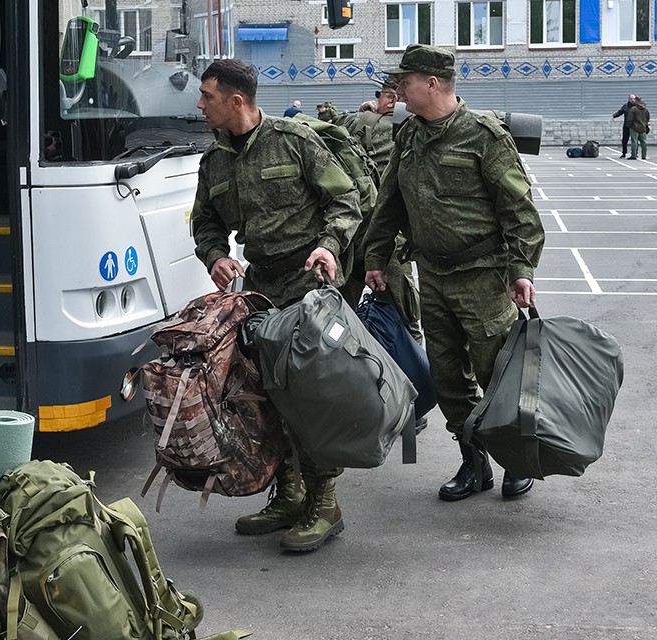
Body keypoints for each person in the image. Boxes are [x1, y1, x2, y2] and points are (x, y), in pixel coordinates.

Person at [191, 58, 362, 552]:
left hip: (310, 283)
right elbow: (205, 224)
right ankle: (287, 493)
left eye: (207, 97)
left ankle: (325, 501)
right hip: (261, 286)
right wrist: (216, 256)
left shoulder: (294, 140)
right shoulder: (215, 160)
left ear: (236, 101)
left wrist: (329, 245)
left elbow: (344, 200)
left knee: (312, 394)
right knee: (268, 393)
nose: (200, 106)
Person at [362, 44, 545, 502]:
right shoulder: (409, 136)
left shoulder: (483, 135)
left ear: (432, 84)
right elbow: (389, 204)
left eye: (404, 82)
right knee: (447, 378)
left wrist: (521, 269)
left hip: (483, 278)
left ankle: (516, 459)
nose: (397, 90)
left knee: (496, 373)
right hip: (433, 277)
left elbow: (520, 211)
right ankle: (474, 461)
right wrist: (375, 258)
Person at [316, 84, 424, 346]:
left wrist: (363, 112)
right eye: (389, 96)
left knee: (341, 316)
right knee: (405, 320)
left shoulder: (368, 122)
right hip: (374, 237)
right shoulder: (410, 127)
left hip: (369, 236)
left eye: (399, 97)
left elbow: (327, 119)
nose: (394, 101)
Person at [613, 94, 636, 158]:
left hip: (635, 126)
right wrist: (614, 115)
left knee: (634, 140)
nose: (632, 100)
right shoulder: (625, 106)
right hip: (626, 125)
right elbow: (620, 112)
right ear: (629, 99)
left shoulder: (637, 106)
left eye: (633, 99)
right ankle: (624, 153)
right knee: (624, 140)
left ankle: (634, 153)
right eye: (631, 99)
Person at [628, 96, 649, 161]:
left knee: (634, 142)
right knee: (643, 142)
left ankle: (634, 155)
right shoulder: (645, 109)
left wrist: (628, 125)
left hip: (634, 127)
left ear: (636, 101)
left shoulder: (633, 109)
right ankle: (644, 155)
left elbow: (630, 119)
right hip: (643, 127)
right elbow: (648, 117)